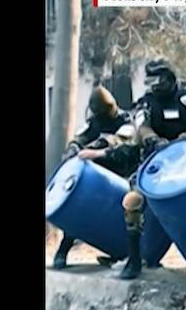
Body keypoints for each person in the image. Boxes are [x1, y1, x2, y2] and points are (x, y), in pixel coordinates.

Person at [81, 59, 186, 280]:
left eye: (159, 80)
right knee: (133, 202)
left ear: (170, 79)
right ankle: (134, 260)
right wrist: (153, 139)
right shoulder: (146, 104)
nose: (154, 86)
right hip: (154, 165)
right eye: (150, 81)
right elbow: (140, 127)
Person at [52, 86, 135, 270]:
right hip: (95, 174)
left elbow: (120, 140)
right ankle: (63, 251)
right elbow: (80, 137)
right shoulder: (94, 121)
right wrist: (73, 148)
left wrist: (96, 148)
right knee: (77, 208)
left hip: (121, 174)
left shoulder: (126, 120)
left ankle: (124, 255)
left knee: (125, 216)